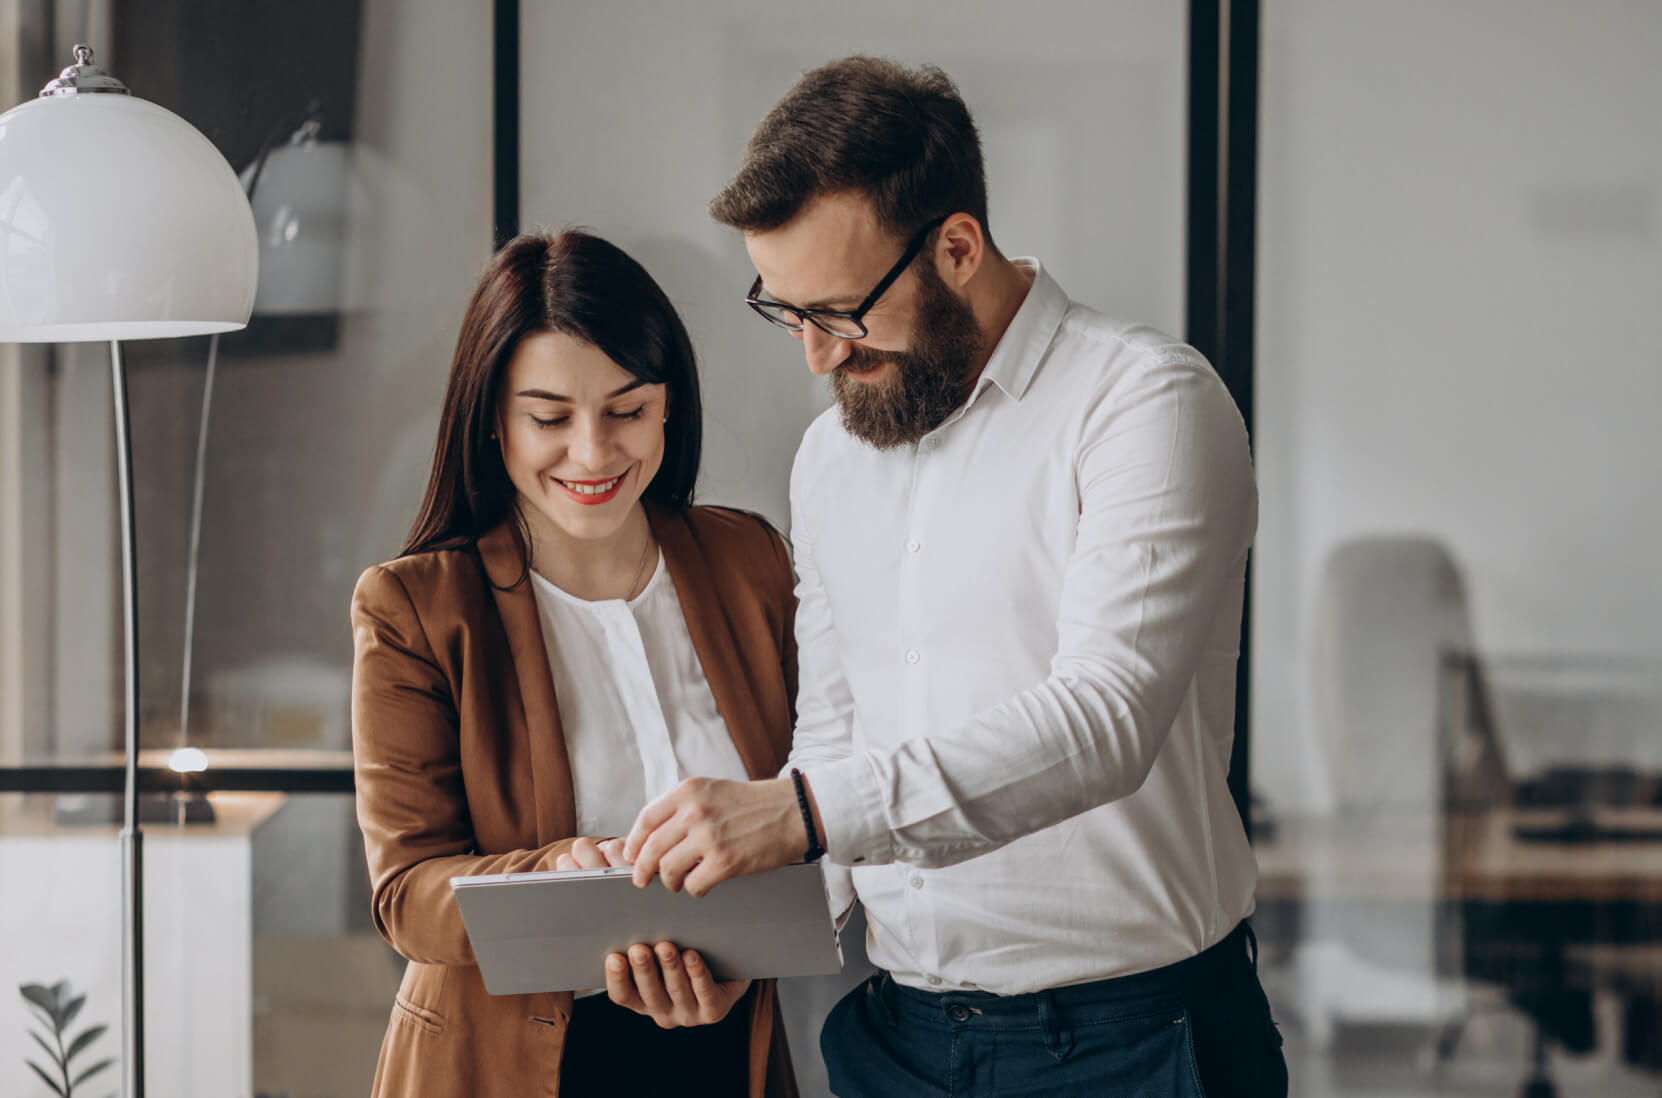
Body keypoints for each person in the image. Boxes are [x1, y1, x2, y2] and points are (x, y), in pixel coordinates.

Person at [620, 57, 1289, 1096]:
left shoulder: (1144, 404)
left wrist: (799, 811)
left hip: (1133, 1046)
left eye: (840, 313)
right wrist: (745, 944)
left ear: (958, 246)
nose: (815, 358)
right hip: (897, 1039)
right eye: (784, 311)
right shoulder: (832, 459)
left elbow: (1105, 719)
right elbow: (838, 734)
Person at [350, 230, 799, 1098]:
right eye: (549, 418)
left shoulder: (750, 563)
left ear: (670, 404)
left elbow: (815, 799)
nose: (593, 454)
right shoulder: (415, 607)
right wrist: (556, 876)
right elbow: (407, 893)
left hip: (728, 1048)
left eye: (626, 411)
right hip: (504, 1062)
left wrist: (749, 944)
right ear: (492, 418)